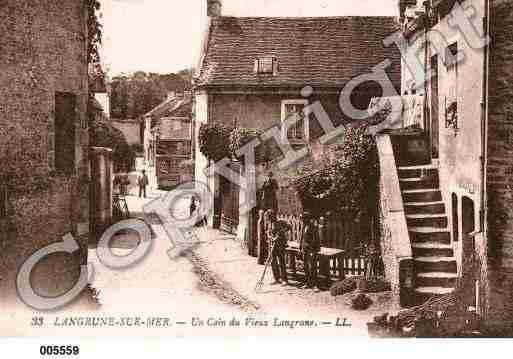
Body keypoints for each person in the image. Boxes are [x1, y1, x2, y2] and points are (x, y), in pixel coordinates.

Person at [267, 210, 290, 286]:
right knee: (273, 262)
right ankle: (276, 278)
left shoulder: (280, 222)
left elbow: (289, 226)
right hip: (273, 245)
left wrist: (281, 232)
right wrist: (270, 237)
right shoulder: (270, 223)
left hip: (280, 245)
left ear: (274, 216)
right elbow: (268, 232)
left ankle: (284, 280)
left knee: (281, 262)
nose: (270, 218)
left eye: (271, 217)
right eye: (269, 217)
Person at [300, 212, 320, 290]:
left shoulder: (313, 227)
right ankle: (308, 283)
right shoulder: (304, 226)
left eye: (303, 218)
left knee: (313, 267)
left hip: (311, 250)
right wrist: (300, 248)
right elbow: (303, 238)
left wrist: (312, 251)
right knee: (305, 267)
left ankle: (314, 285)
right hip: (305, 249)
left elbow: (315, 240)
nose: (302, 220)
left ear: (307, 219)